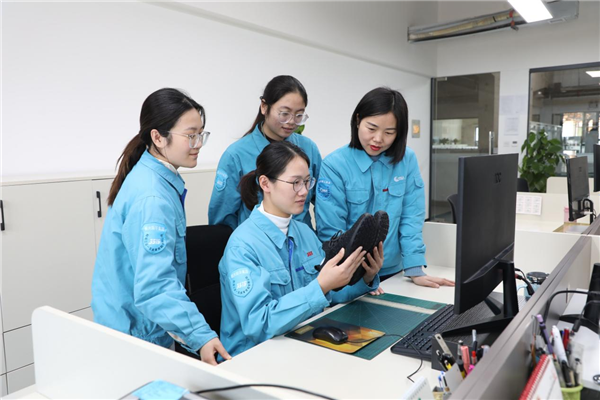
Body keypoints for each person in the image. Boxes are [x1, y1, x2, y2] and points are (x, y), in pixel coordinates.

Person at [91, 88, 231, 365]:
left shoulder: (155, 179)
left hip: (137, 326)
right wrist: (201, 336)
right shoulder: (152, 197)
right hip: (135, 335)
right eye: (190, 135)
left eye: (201, 134)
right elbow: (155, 286)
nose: (198, 144)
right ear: (158, 137)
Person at [219, 141, 382, 357]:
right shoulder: (243, 246)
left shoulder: (304, 232)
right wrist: (320, 286)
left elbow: (329, 294)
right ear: (265, 183)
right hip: (253, 356)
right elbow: (259, 324)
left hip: (301, 342)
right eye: (295, 183)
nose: (304, 191)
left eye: (307, 181)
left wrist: (365, 278)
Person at [315, 87, 454, 290]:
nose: (378, 139)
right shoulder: (335, 165)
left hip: (394, 271)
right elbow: (332, 232)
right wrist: (363, 279)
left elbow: (411, 217)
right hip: (348, 277)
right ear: (357, 120)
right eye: (371, 129)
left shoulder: (407, 160)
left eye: (389, 132)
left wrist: (414, 268)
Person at [208, 75, 322, 230]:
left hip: (302, 241)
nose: (291, 122)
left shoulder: (309, 148)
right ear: (264, 106)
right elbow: (222, 220)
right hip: (258, 242)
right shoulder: (236, 155)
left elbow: (323, 203)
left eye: (299, 115)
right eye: (284, 113)